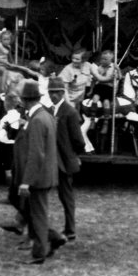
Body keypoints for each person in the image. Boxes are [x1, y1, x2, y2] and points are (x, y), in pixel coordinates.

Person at [10, 80, 65, 264]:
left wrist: (27, 181)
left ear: (26, 101)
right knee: (36, 213)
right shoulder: (46, 116)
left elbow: (36, 154)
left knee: (38, 215)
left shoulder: (37, 120)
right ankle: (54, 237)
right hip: (46, 174)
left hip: (39, 176)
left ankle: (39, 253)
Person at [48, 77, 86, 241]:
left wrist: (75, 156)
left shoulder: (70, 112)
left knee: (66, 196)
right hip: (49, 160)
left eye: (56, 92)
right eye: (51, 92)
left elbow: (78, 140)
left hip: (64, 161)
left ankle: (70, 229)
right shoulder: (48, 111)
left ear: (63, 93)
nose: (53, 96)